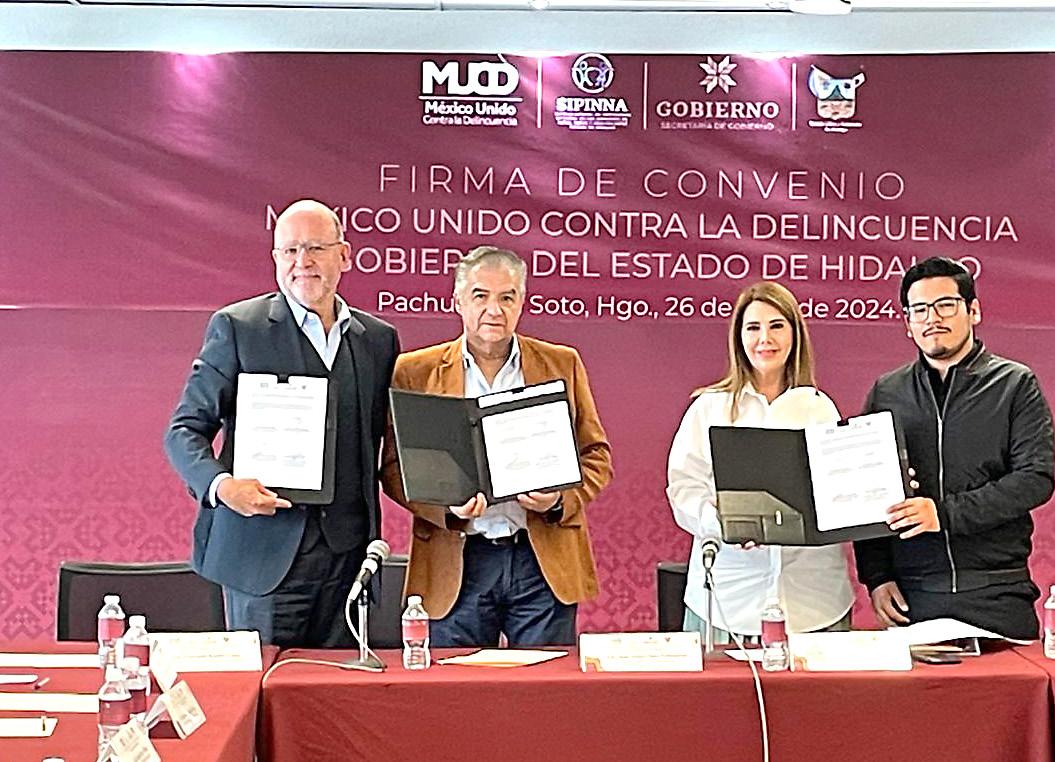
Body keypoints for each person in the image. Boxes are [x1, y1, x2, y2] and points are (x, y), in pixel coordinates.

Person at [164, 199, 399, 647]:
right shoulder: (239, 328)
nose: (302, 262)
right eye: (290, 250)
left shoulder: (378, 340)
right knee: (265, 688)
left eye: (315, 248)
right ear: (275, 259)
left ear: (344, 255)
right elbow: (184, 430)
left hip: (348, 561)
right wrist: (222, 487)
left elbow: (384, 443)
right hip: (262, 557)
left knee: (339, 688)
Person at [380, 245, 612, 647]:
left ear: (522, 302)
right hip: (456, 560)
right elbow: (394, 468)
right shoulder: (415, 371)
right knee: (457, 685)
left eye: (507, 297)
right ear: (457, 301)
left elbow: (596, 456)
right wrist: (446, 508)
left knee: (544, 684)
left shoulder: (562, 363)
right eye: (480, 296)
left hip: (541, 562)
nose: (494, 310)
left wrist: (558, 500)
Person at [854, 257, 1055, 640]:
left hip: (998, 592)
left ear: (973, 310)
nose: (932, 318)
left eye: (945, 305)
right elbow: (869, 490)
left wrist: (943, 514)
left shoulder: (1014, 385)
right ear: (907, 323)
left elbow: (1035, 479)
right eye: (919, 309)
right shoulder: (887, 392)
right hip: (914, 597)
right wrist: (877, 577)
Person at [666, 282, 854, 641]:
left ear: (795, 334)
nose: (765, 339)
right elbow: (684, 490)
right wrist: (726, 524)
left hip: (814, 600)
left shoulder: (819, 408)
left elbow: (838, 492)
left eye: (777, 326)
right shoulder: (709, 408)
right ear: (739, 338)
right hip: (728, 599)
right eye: (753, 328)